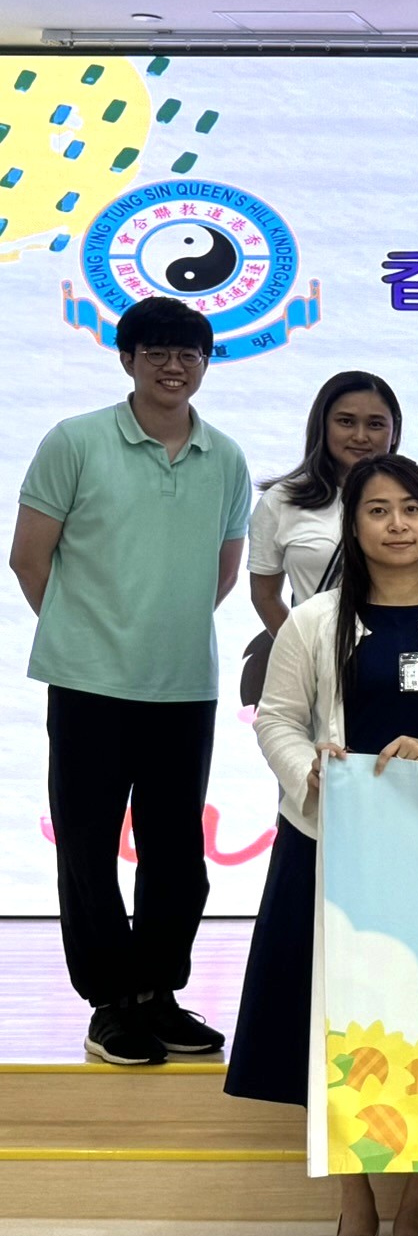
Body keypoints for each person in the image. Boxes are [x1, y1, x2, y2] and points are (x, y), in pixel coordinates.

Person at [229, 455, 418, 1236]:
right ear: (353, 527)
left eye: (411, 509)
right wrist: (308, 773)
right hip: (330, 842)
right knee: (333, 1016)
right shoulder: (314, 620)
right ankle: (353, 1194)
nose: (398, 525)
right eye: (378, 510)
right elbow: (277, 719)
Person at [10, 297, 251, 1066]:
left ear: (205, 363)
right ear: (127, 359)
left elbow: (221, 573)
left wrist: (157, 629)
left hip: (183, 683)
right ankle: (109, 1003)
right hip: (88, 682)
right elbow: (29, 557)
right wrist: (88, 633)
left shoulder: (226, 458)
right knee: (86, 846)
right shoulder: (75, 441)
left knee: (176, 852)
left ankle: (157, 994)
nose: (173, 366)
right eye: (156, 352)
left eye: (189, 354)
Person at [249, 371, 401, 635]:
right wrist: (300, 650)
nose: (360, 436)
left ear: (394, 432)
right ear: (322, 425)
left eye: (375, 424)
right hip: (317, 655)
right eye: (346, 422)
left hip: (400, 652)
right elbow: (265, 596)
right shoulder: (281, 501)